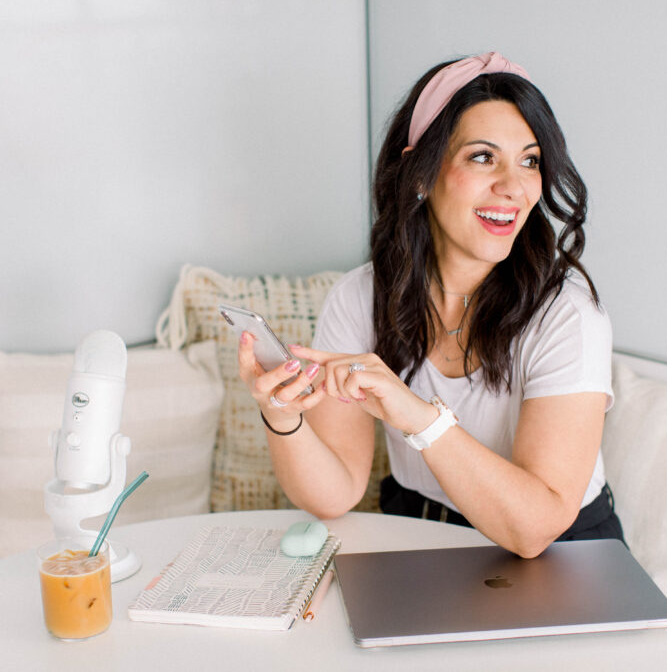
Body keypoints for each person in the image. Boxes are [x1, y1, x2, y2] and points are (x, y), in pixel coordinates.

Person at [237, 52, 621, 558]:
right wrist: (280, 411)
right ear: (420, 174)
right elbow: (335, 494)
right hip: (417, 528)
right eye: (483, 157)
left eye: (530, 160)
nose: (513, 186)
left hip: (563, 553)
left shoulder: (568, 316)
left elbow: (535, 528)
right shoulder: (361, 297)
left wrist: (418, 416)